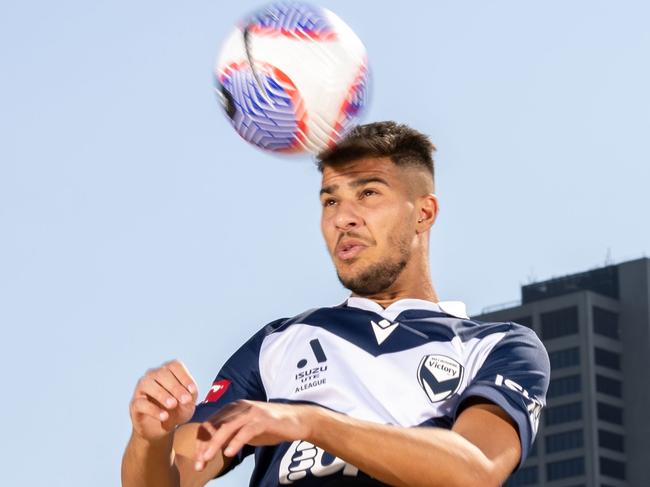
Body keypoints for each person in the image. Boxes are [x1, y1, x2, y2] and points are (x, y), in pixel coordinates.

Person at [121, 121, 550, 487]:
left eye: (367, 194)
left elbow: (475, 469)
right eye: (330, 200)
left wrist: (309, 421)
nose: (342, 218)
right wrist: (149, 441)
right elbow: (177, 475)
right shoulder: (278, 342)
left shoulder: (499, 346)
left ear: (424, 213)